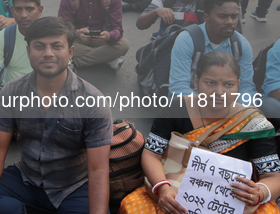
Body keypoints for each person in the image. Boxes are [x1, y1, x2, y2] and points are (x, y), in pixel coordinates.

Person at [0, 17, 113, 214]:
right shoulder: (12, 91)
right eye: (39, 46)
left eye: (57, 46)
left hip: (72, 186)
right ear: (28, 52)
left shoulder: (93, 101)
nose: (48, 54)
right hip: (27, 178)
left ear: (70, 52)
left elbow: (98, 170)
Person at [120, 51, 280, 214]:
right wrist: (162, 188)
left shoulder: (253, 124)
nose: (219, 92)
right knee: (133, 206)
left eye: (228, 84)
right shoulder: (175, 109)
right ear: (196, 82)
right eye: (210, 83)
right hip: (175, 195)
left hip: (230, 204)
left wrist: (260, 192)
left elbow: (274, 177)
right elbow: (152, 154)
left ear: (238, 85)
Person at [169, 0, 257, 98]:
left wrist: (240, 110)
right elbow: (179, 88)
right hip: (194, 103)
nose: (230, 22)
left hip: (228, 105)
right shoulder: (186, 40)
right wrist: (211, 109)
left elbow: (246, 87)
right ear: (206, 17)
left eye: (234, 16)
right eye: (223, 16)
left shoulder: (241, 44)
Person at [0, 0, 42, 119]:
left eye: (30, 9)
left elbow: (65, 79)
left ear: (39, 10)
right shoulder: (4, 37)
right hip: (11, 98)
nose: (23, 15)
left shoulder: (51, 37)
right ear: (12, 11)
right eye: (18, 9)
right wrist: (8, 111)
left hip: (44, 100)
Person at [59, 0, 129, 70]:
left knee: (124, 45)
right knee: (60, 46)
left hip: (101, 40)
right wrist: (76, 33)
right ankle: (107, 59)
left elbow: (117, 29)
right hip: (77, 39)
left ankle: (74, 63)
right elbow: (62, 27)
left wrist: (108, 36)